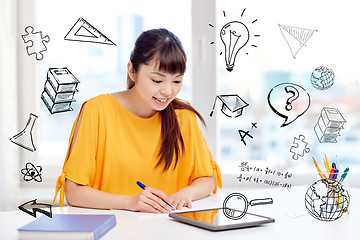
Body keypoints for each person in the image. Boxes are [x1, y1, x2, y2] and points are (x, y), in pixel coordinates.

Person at [53, 28, 222, 213]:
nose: (167, 91)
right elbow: (74, 192)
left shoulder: (183, 116)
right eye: (157, 81)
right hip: (113, 229)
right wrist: (131, 202)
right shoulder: (97, 110)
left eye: (177, 81)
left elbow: (206, 178)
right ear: (132, 72)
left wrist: (186, 193)